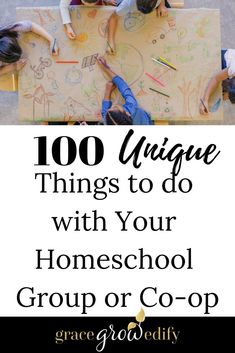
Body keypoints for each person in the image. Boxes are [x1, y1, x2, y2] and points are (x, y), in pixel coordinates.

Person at [97, 56, 153, 125]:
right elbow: (125, 89)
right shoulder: (133, 110)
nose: (112, 107)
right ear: (127, 114)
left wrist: (108, 91)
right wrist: (106, 68)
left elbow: (105, 114)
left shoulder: (110, 121)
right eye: (115, 107)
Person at [107, 0, 171, 54]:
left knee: (166, 13)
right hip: (129, 4)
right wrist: (110, 42)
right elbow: (113, 17)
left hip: (158, 3)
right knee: (117, 5)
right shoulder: (127, 3)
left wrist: (162, 4)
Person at [200, 49, 235, 115]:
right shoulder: (233, 68)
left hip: (230, 75)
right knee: (204, 78)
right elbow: (216, 79)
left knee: (220, 95)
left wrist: (228, 96)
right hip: (224, 61)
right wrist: (205, 100)